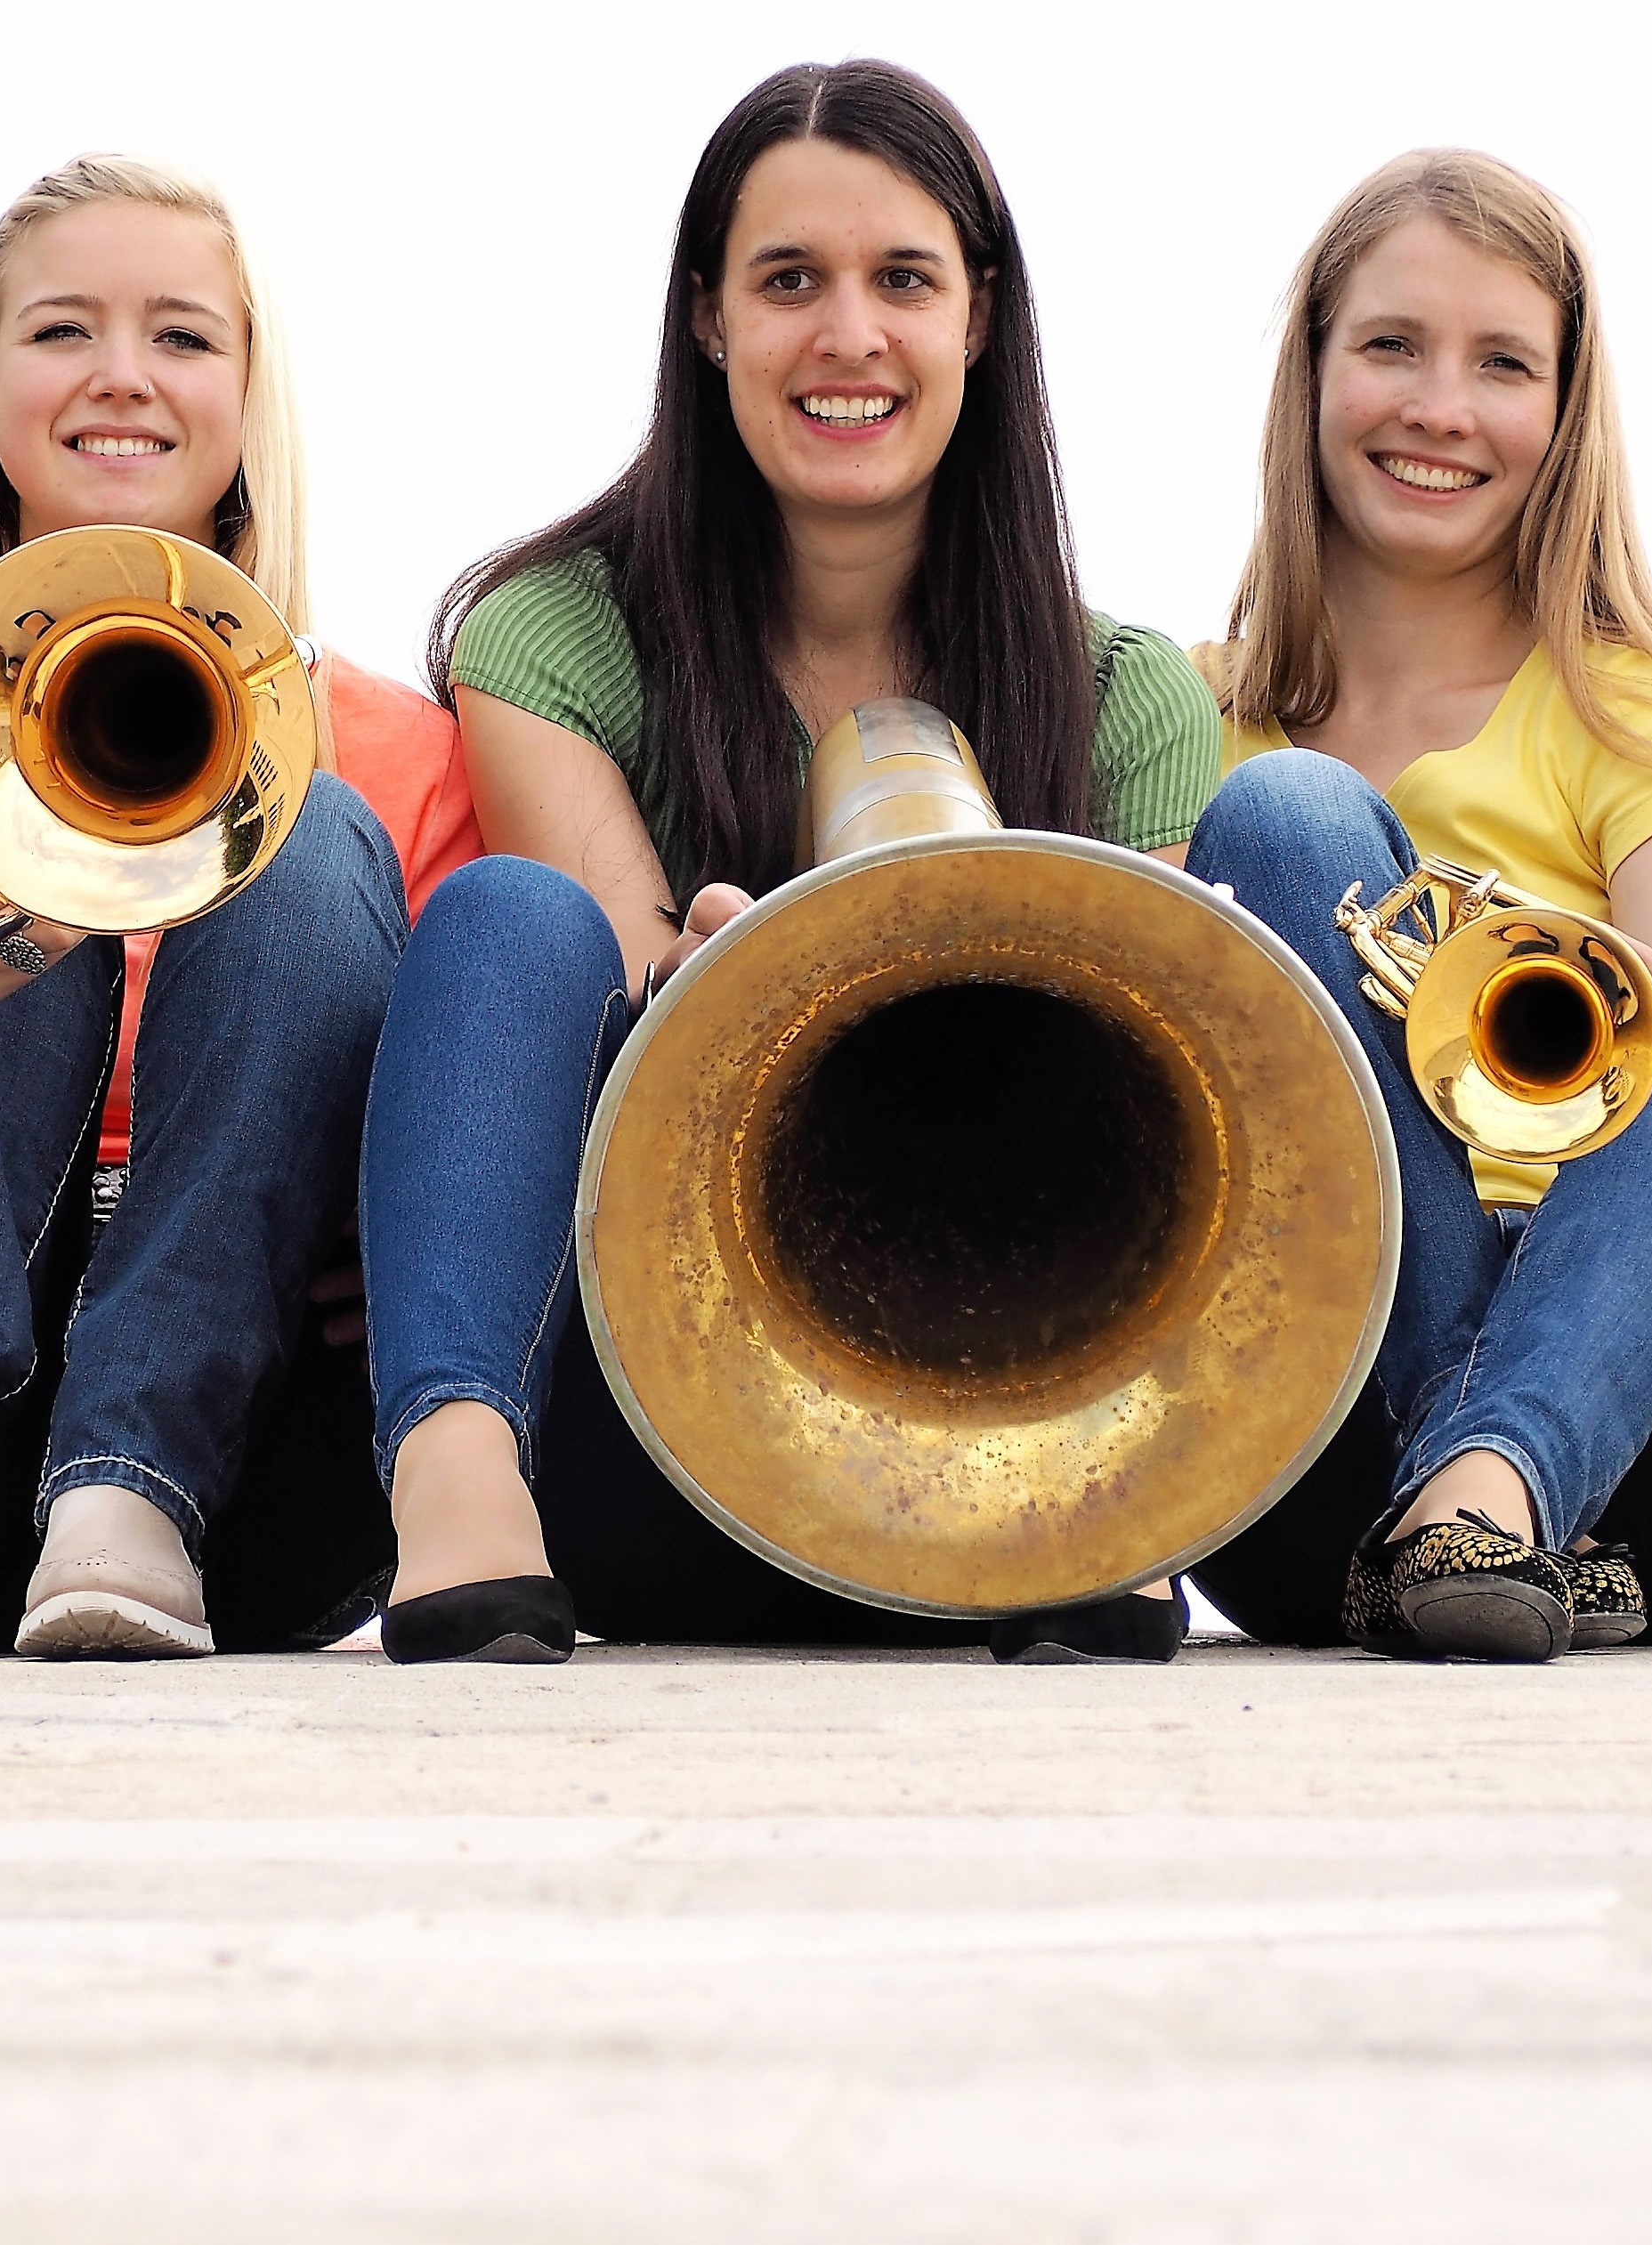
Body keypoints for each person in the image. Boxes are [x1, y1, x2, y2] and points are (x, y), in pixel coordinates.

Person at [363, 60, 1227, 1666]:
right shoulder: (549, 630)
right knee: (505, 917)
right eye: (787, 282)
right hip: (653, 1443)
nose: (848, 336)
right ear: (706, 320)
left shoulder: (1127, 697)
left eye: (903, 279)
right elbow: (587, 973)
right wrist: (711, 997)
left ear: (978, 315)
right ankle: (456, 1475)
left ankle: (1104, 1499)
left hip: (1020, 1484)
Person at [0, 156, 478, 1663]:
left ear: (249, 404)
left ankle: (135, 1489)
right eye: (61, 332)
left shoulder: (402, 750)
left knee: (303, 827)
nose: (121, 376)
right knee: (5, 829)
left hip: (256, 1449)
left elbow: (456, 1126)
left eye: (181, 336)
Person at [1179, 150, 1652, 1662]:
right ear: (1309, 375)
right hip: (1322, 1467)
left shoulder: (1640, 711)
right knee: (1286, 816)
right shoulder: (1185, 716)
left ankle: (1495, 1476)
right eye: (1390, 347)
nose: (1441, 407)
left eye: (1502, 364)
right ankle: (1466, 1492)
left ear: (1564, 416)